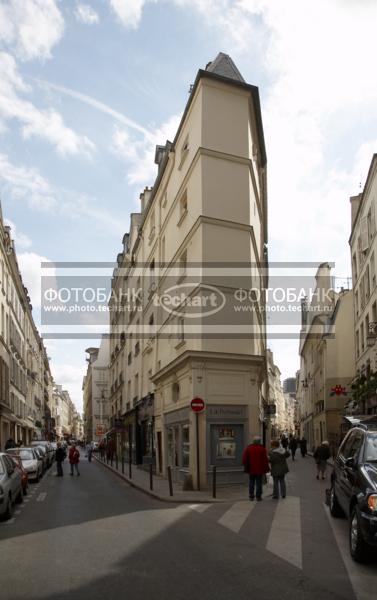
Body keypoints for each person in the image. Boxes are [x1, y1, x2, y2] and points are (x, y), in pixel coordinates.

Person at [242, 436, 270, 501]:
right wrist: (266, 468)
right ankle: (258, 496)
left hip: (251, 469)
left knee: (251, 482)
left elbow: (244, 459)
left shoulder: (248, 448)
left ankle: (251, 496)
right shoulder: (262, 449)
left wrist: (245, 465)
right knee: (259, 483)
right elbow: (265, 460)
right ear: (259, 441)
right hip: (259, 469)